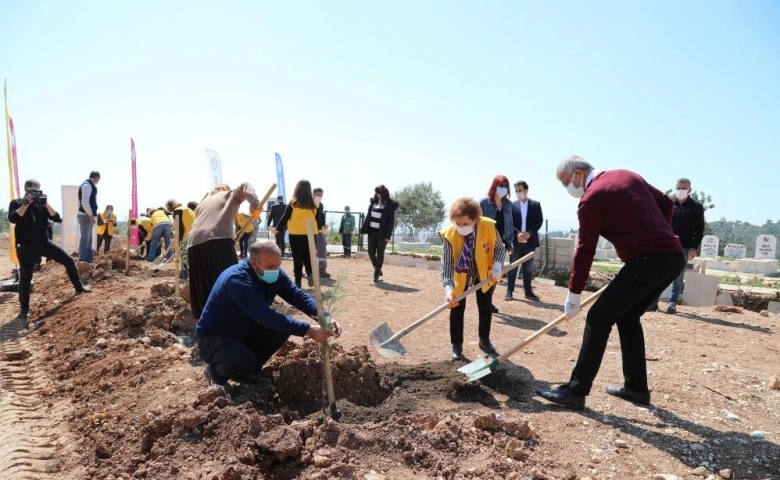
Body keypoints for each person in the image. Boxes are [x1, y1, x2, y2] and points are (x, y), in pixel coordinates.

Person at [535, 156, 684, 409]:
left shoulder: (591, 198)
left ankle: (575, 390)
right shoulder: (627, 174)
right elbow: (666, 203)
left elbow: (585, 250)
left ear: (579, 175)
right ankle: (636, 388)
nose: (567, 189)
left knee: (598, 318)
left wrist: (574, 293)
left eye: (565, 183)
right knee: (627, 317)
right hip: (672, 256)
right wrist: (658, 234)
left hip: (649, 260)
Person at [195, 240, 341, 388]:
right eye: (271, 266)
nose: (276, 270)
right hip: (214, 338)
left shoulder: (275, 274)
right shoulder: (237, 280)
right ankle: (216, 373)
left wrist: (325, 316)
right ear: (253, 263)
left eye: (278, 265)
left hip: (243, 331)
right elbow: (266, 317)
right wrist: (309, 330)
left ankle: (251, 373)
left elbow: (298, 297)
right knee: (244, 359)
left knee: (281, 329)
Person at [9, 179, 92, 320]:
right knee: (25, 277)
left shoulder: (42, 205)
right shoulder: (17, 203)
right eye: (35, 190)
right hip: (26, 247)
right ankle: (24, 309)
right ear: (27, 190)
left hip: (44, 243)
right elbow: (13, 218)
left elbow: (57, 217)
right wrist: (25, 204)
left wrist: (45, 203)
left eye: (39, 190)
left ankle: (79, 287)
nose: (38, 193)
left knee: (68, 260)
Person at [440, 197, 506, 361]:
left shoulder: (488, 227)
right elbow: (447, 266)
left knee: (485, 306)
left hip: (484, 274)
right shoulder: (449, 236)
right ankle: (456, 346)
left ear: (475, 220)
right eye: (458, 224)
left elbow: (500, 248)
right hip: (461, 275)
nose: (461, 228)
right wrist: (448, 289)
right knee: (456, 307)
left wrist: (497, 265)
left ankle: (484, 340)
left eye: (465, 224)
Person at [188, 183, 261, 319]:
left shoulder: (202, 204)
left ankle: (204, 324)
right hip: (218, 239)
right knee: (229, 279)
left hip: (193, 243)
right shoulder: (229, 194)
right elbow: (245, 185)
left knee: (202, 285)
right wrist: (255, 206)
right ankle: (232, 318)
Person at [647, 178, 705, 314]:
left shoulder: (696, 207)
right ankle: (654, 301)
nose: (680, 191)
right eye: (678, 188)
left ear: (689, 190)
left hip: (684, 246)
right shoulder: (668, 204)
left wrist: (694, 247)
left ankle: (672, 303)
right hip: (666, 244)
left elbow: (699, 229)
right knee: (659, 273)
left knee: (677, 276)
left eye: (683, 188)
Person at [270, 180, 323, 288]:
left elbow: (285, 216)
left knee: (297, 257)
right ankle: (310, 274)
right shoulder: (315, 204)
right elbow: (318, 219)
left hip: (295, 233)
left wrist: (278, 228)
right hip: (310, 233)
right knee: (308, 256)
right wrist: (320, 228)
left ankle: (298, 282)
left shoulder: (293, 202)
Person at [479, 175, 514, 313]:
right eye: (501, 185)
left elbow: (510, 224)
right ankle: (485, 301)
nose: (503, 189)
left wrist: (510, 243)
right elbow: (479, 224)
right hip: (487, 243)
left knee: (496, 273)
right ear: (494, 186)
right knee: (486, 272)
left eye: (506, 186)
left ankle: (488, 301)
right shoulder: (484, 203)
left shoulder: (508, 205)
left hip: (501, 244)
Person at [506, 181, 544, 301]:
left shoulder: (536, 205)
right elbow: (509, 222)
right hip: (516, 242)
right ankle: (509, 291)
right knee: (513, 266)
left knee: (527, 268)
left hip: (530, 241)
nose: (518, 193)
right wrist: (517, 233)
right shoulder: (512, 205)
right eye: (516, 191)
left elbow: (539, 221)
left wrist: (530, 233)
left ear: (526, 190)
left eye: (520, 190)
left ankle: (528, 292)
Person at [359, 185, 399, 283]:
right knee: (371, 252)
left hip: (382, 234)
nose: (376, 194)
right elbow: (368, 217)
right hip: (372, 232)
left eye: (378, 193)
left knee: (380, 253)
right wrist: (363, 230)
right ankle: (378, 268)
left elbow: (390, 222)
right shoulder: (373, 203)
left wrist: (387, 235)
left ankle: (376, 274)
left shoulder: (389, 206)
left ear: (382, 194)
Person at [77, 170, 100, 263]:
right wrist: (90, 215)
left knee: (89, 240)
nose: (98, 181)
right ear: (96, 177)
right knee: (85, 239)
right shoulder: (87, 185)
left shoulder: (89, 185)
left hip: (87, 216)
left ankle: (89, 261)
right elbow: (85, 202)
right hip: (85, 216)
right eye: (98, 179)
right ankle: (82, 261)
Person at [313, 187, 330, 278]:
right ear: (313, 194)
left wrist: (325, 223)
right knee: (307, 252)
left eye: (321, 195)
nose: (319, 197)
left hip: (320, 232)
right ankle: (304, 270)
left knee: (322, 250)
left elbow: (321, 217)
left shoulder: (321, 205)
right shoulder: (309, 205)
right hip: (310, 232)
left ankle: (322, 270)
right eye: (317, 195)